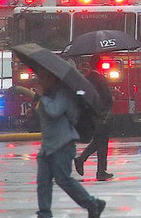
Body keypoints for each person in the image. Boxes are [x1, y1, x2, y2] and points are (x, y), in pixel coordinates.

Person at [14, 69, 106, 218]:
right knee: (43, 182)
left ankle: (92, 203)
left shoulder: (63, 94)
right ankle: (44, 213)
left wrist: (41, 96)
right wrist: (35, 110)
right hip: (48, 146)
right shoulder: (49, 95)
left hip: (63, 145)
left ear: (53, 79)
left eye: (43, 79)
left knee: (63, 180)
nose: (40, 82)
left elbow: (54, 111)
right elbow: (45, 115)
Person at [74, 57, 114, 182]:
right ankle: (98, 170)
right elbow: (106, 97)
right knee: (102, 141)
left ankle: (93, 166)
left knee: (99, 141)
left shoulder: (84, 79)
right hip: (100, 113)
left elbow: (80, 94)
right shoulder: (98, 78)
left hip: (91, 113)